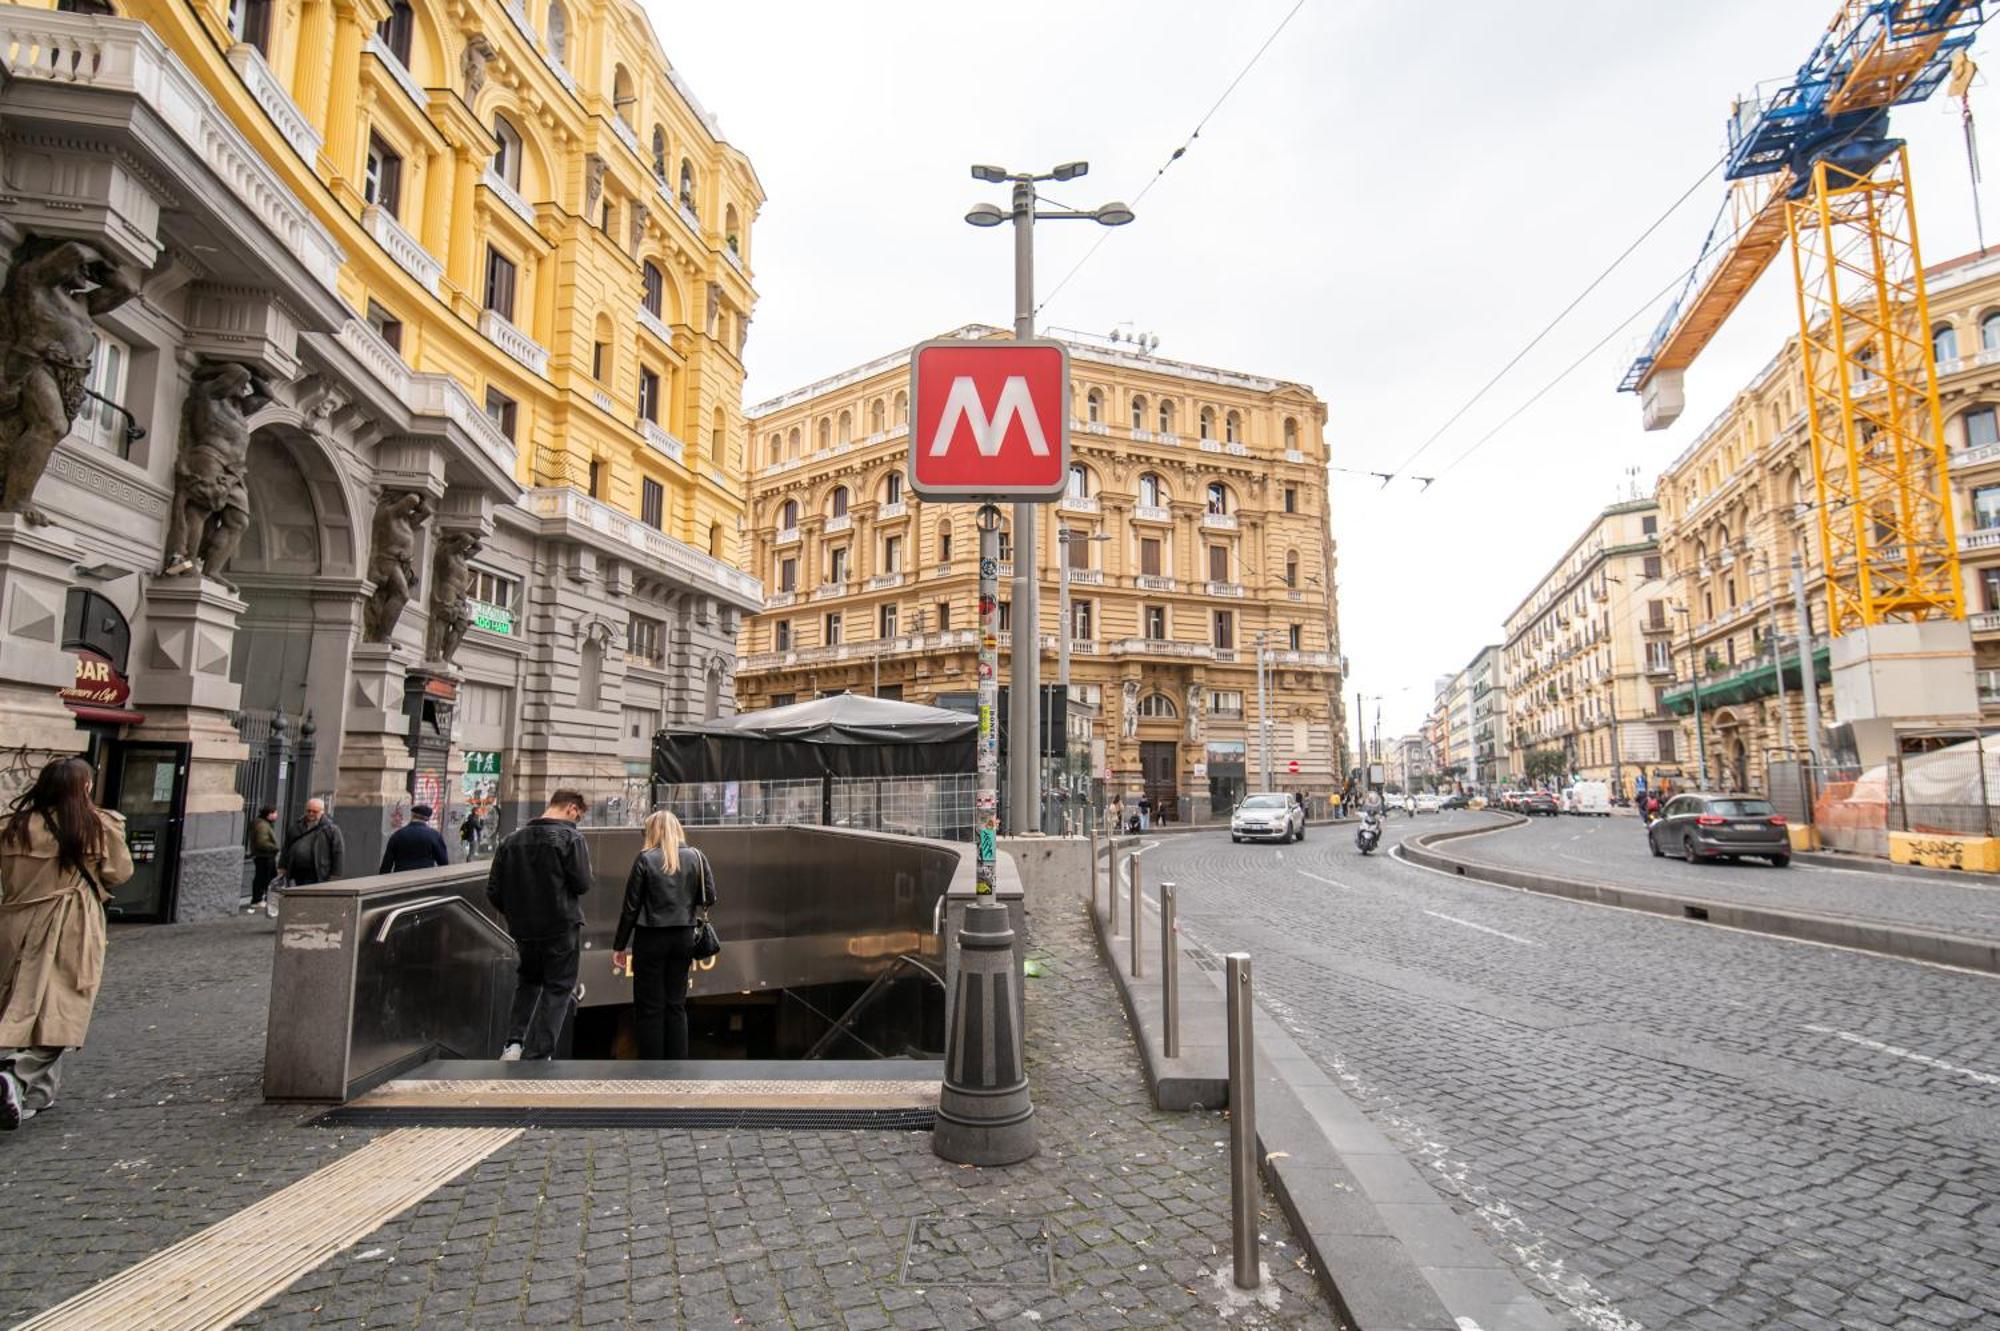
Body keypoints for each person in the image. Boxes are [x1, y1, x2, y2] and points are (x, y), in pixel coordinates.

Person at [0, 757, 134, 1131]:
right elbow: (120, 873)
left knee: (20, 1003)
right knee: (64, 1009)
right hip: (69, 923)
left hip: (14, 922)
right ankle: (14, 1073)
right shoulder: (95, 826)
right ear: (84, 788)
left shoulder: (15, 825)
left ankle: (33, 1094)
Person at [486, 788, 592, 1061]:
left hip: (524, 930)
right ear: (571, 808)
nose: (576, 821)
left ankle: (513, 1044)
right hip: (561, 927)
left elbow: (494, 890)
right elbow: (582, 883)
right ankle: (539, 1054)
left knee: (529, 981)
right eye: (577, 816)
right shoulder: (570, 838)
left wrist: (517, 914)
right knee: (557, 987)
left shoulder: (511, 840)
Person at [611, 810, 715, 1060]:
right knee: (676, 1004)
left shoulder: (645, 859)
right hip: (683, 937)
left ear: (652, 832)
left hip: (650, 938)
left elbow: (631, 908)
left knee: (649, 1006)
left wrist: (620, 946)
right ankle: (678, 1065)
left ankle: (651, 1067)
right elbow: (710, 897)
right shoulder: (696, 856)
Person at [282, 798, 344, 885]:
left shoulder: (331, 829)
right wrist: (282, 867)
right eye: (308, 811)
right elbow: (286, 847)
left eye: (314, 811)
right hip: (296, 873)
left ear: (322, 812)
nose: (311, 814)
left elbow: (338, 852)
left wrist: (335, 874)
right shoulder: (296, 826)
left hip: (318, 873)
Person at [380, 804, 451, 873]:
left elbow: (386, 864)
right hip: (425, 879)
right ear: (427, 819)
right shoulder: (434, 835)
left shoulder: (397, 835)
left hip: (401, 879)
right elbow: (443, 862)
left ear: (412, 815)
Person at [248, 805, 280, 910]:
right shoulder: (262, 825)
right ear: (269, 814)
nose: (276, 815)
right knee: (264, 878)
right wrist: (275, 848)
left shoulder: (264, 824)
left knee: (265, 878)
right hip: (265, 856)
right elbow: (262, 842)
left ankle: (263, 899)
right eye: (275, 813)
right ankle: (258, 900)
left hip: (264, 855)